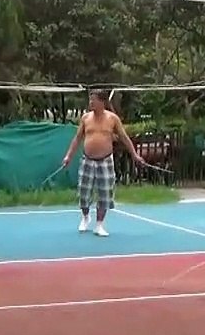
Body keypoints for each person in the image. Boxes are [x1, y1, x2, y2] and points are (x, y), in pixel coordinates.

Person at [60, 89, 146, 236]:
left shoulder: (112, 119)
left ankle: (99, 225)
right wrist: (68, 156)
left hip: (105, 160)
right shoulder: (86, 118)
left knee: (104, 193)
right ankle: (86, 217)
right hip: (88, 159)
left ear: (102, 102)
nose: (90, 103)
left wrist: (135, 155)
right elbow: (77, 138)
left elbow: (124, 138)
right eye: (90, 100)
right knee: (84, 192)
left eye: (93, 100)